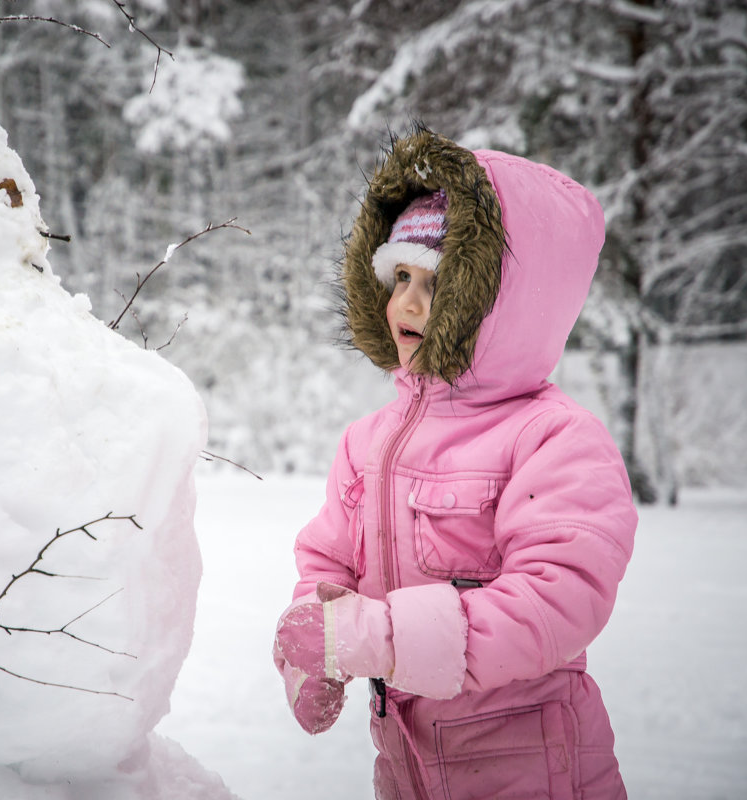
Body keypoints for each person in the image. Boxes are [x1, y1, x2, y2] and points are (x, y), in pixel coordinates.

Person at [272, 125, 638, 800]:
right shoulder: (367, 441)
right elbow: (329, 557)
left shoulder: (553, 438)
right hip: (408, 767)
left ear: (497, 303)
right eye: (398, 275)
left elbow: (557, 600)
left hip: (531, 771)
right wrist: (315, 638)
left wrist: (379, 637)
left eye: (435, 282)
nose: (406, 302)